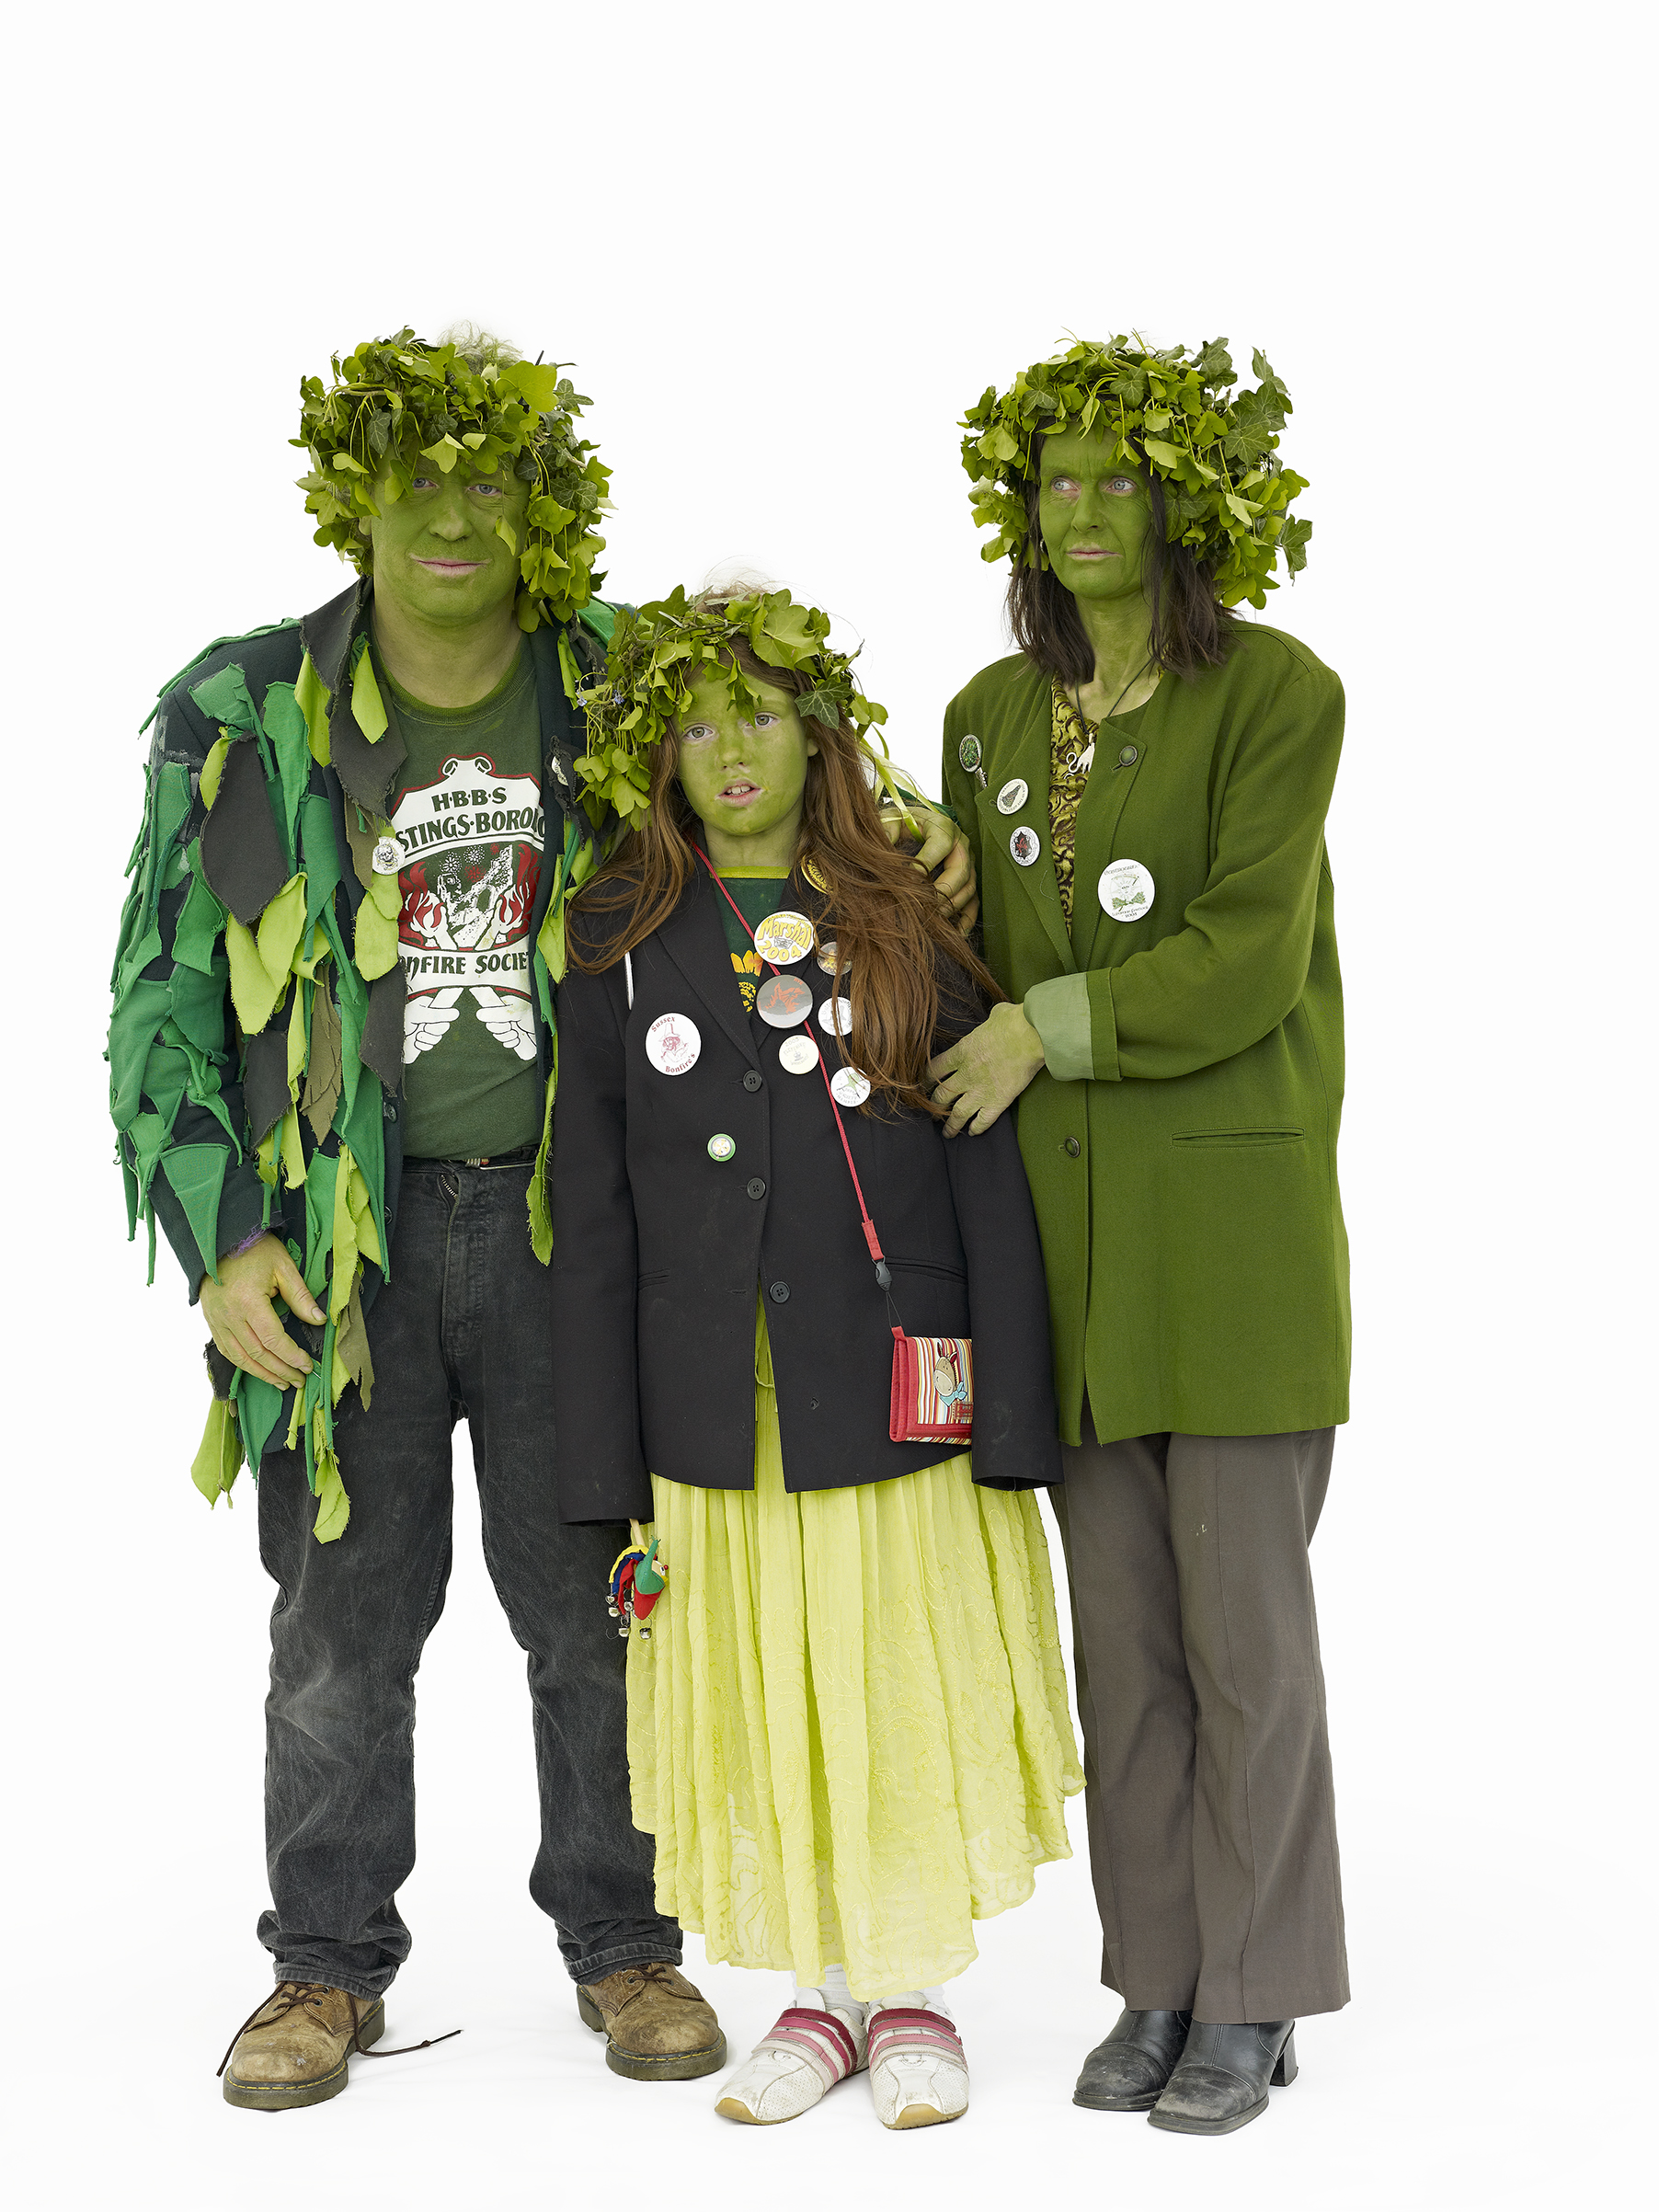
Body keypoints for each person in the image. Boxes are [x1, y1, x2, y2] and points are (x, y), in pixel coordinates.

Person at [106, 323, 982, 2110]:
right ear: (353, 495)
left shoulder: (614, 681)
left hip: (577, 1241)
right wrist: (225, 1240)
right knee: (339, 1624)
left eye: (488, 482)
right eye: (414, 482)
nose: (451, 518)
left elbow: (771, 769)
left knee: (597, 1607)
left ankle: (626, 1939)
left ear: (540, 505)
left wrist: (915, 832)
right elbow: (163, 995)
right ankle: (322, 1965)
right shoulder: (241, 710)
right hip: (336, 1245)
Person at [549, 586, 1081, 2131]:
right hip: (716, 1403)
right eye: (698, 722)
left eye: (763, 715)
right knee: (771, 1679)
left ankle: (906, 1987)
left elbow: (983, 1158)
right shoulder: (617, 935)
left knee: (886, 1668)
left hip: (888, 1379)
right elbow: (591, 1205)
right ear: (659, 752)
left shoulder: (908, 908)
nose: (732, 749)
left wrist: (1014, 1407)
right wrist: (601, 1458)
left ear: (817, 733)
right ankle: (818, 1992)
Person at [935, 337, 1349, 2138]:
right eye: (1057, 479)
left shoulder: (1276, 692)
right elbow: (963, 953)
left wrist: (1046, 1026)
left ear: (1189, 503)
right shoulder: (984, 716)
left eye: (1121, 476)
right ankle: (1157, 1978)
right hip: (1064, 1255)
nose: (1085, 507)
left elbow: (1247, 950)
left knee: (1245, 1640)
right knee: (1123, 1648)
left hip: (1229, 1240)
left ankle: (1256, 1994)